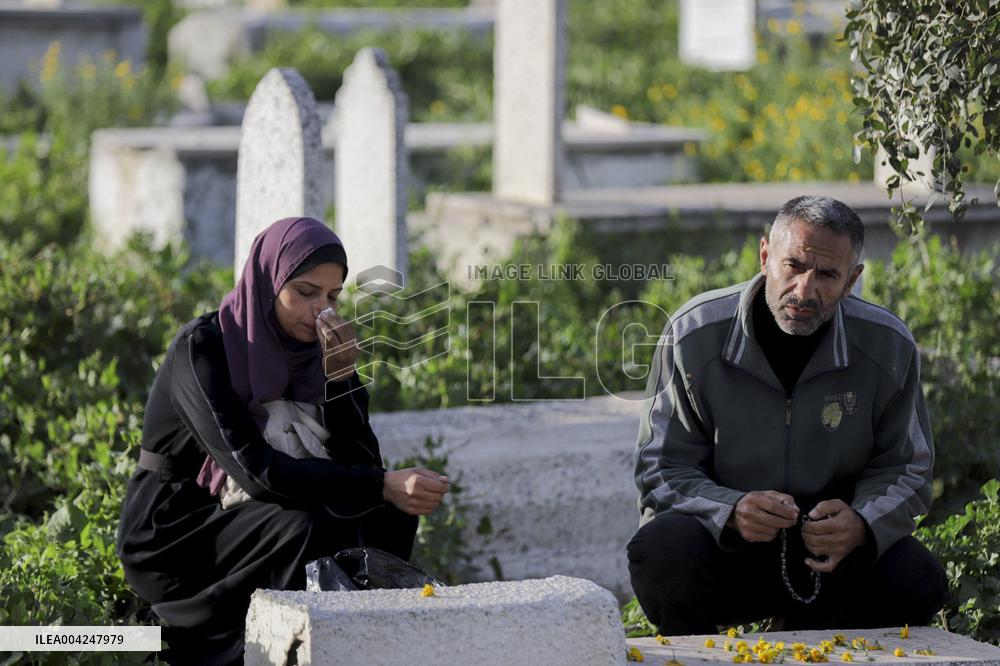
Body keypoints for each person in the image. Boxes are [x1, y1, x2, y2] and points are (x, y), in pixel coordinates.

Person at [116, 216, 450, 665]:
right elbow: (258, 473)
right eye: (305, 292)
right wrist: (379, 483)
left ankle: (351, 643)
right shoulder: (203, 350)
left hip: (251, 515)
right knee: (307, 524)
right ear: (268, 283)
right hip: (178, 529)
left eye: (333, 297)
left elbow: (363, 462)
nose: (320, 311)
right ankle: (260, 651)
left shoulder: (316, 355)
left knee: (387, 513)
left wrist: (343, 378)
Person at [627, 196, 948, 635]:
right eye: (793, 265)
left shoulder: (887, 345)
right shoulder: (692, 334)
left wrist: (859, 522)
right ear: (765, 257)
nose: (804, 290)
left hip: (830, 556)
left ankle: (797, 633)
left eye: (827, 275)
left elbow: (908, 467)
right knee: (661, 552)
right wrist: (731, 508)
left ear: (852, 280)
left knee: (918, 578)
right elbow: (660, 467)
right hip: (727, 546)